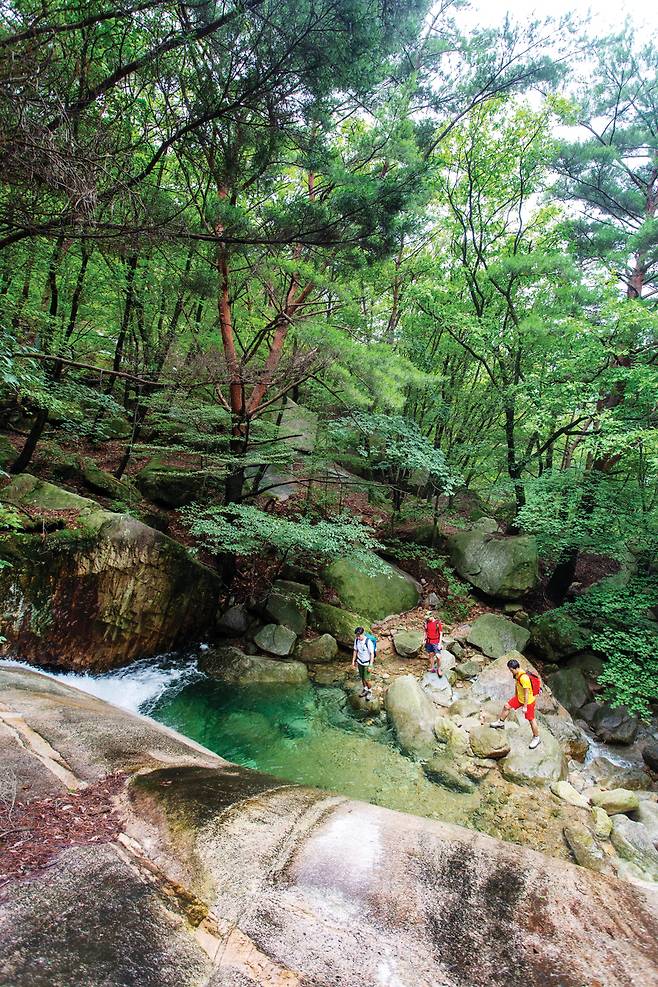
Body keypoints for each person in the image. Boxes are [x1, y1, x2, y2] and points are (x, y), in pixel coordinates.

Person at [491, 658, 541, 749]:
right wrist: (515, 696)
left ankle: (536, 737)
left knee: (531, 719)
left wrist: (525, 707)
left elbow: (527, 692)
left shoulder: (524, 678)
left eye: (511, 670)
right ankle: (501, 722)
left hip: (528, 701)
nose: (510, 672)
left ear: (515, 668)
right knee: (506, 706)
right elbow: (517, 686)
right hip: (519, 698)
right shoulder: (518, 674)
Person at [352, 626, 374, 701]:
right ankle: (365, 689)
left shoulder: (368, 642)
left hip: (367, 663)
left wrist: (370, 665)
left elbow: (372, 654)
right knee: (362, 677)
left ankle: (370, 691)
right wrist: (353, 662)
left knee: (367, 679)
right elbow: (355, 650)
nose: (358, 637)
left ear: (363, 633)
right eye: (357, 635)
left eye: (359, 635)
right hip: (360, 662)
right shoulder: (356, 640)